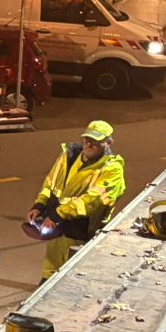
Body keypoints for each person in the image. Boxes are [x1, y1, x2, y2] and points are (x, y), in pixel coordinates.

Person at [29, 119, 127, 278]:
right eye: (86, 140)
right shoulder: (68, 156)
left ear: (108, 142)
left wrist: (58, 214)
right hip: (57, 225)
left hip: (81, 229)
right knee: (51, 267)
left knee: (71, 273)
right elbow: (51, 183)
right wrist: (40, 204)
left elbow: (92, 201)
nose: (88, 146)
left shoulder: (112, 168)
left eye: (94, 142)